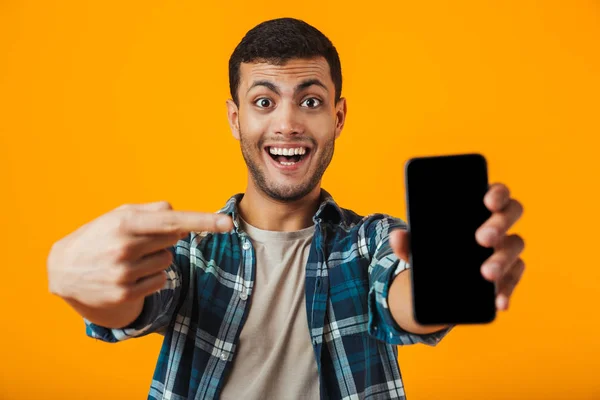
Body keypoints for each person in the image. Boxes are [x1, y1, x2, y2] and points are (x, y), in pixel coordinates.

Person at [46, 17, 525, 400]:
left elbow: (403, 298)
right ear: (236, 119)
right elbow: (133, 305)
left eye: (310, 101)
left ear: (337, 118)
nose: (289, 122)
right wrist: (75, 280)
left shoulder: (373, 242)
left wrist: (450, 279)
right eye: (264, 101)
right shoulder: (192, 251)